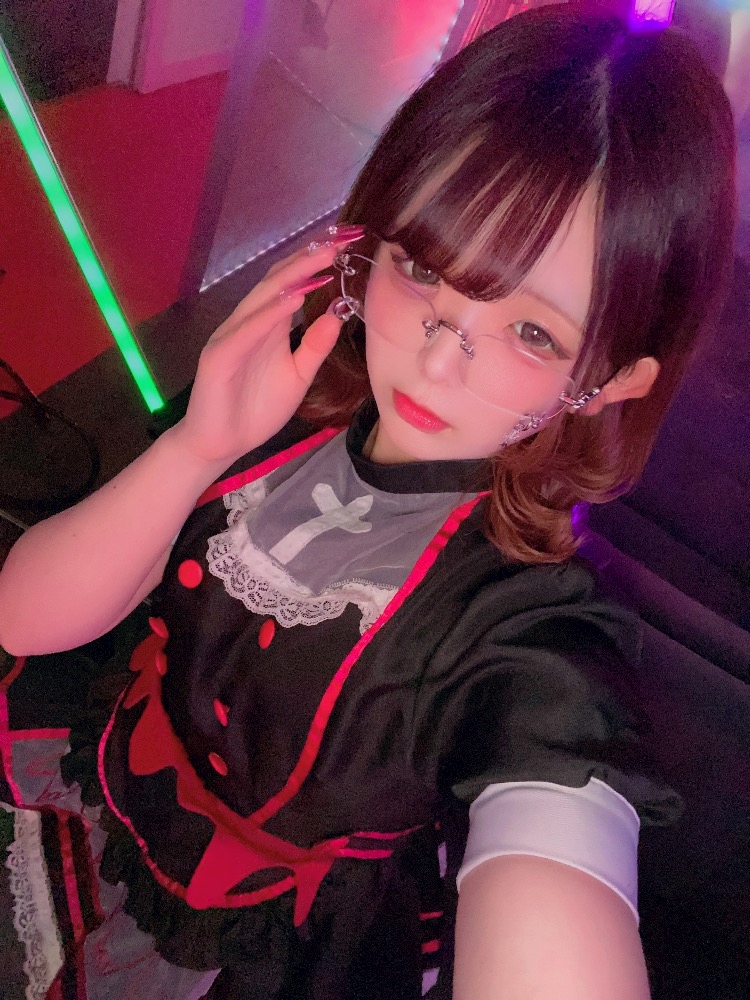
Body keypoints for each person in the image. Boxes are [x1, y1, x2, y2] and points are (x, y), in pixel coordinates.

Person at [0, 5, 737, 998]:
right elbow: (22, 617)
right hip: (107, 770)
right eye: (422, 269)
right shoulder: (280, 405)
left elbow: (554, 830)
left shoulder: (531, 624)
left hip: (257, 936)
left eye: (531, 333)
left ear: (611, 379)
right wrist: (195, 447)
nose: (437, 360)